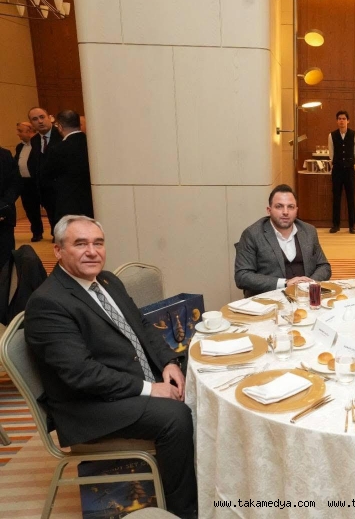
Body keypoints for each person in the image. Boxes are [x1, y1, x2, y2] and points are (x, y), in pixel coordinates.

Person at [25, 215, 197, 517]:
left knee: (199, 379)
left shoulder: (107, 281)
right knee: (175, 417)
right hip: (88, 405)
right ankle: (184, 510)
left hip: (126, 378)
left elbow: (142, 327)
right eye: (81, 244)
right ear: (58, 251)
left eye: (98, 243)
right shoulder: (48, 303)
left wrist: (168, 362)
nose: (92, 251)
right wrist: (150, 388)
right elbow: (82, 375)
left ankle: (203, 479)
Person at [235, 184, 331, 296]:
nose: (285, 212)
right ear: (269, 210)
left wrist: (310, 283)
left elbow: (324, 266)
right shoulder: (252, 234)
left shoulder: (309, 231)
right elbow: (242, 276)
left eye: (290, 207)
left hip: (305, 297)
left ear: (296, 210)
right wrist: (285, 283)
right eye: (279, 206)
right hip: (269, 299)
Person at [44, 110, 94, 223]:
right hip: (93, 201)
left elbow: (47, 176)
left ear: (60, 127)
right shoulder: (91, 145)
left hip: (68, 203)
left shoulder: (57, 149)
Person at [27, 106, 62, 239]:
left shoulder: (61, 135)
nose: (40, 121)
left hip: (61, 189)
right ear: (31, 123)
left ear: (50, 118)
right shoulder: (35, 140)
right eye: (35, 119)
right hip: (45, 190)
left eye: (42, 117)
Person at [328, 110, 355, 234]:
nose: (342, 121)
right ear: (337, 121)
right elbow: (331, 153)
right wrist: (336, 162)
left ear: (348, 121)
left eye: (344, 118)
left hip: (349, 170)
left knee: (351, 198)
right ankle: (335, 225)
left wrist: (351, 162)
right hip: (337, 170)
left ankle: (352, 225)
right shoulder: (331, 135)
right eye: (339, 119)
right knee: (336, 198)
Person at [14, 122, 44, 242]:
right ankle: (37, 232)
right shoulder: (19, 147)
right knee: (30, 209)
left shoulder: (39, 145)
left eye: (20, 131)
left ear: (30, 131)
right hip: (25, 183)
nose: (18, 134)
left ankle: (55, 232)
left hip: (38, 181)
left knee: (49, 207)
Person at [0, 145, 21, 269]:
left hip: (4, 216)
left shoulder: (4, 155)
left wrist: (3, 206)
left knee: (5, 262)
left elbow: (15, 183)